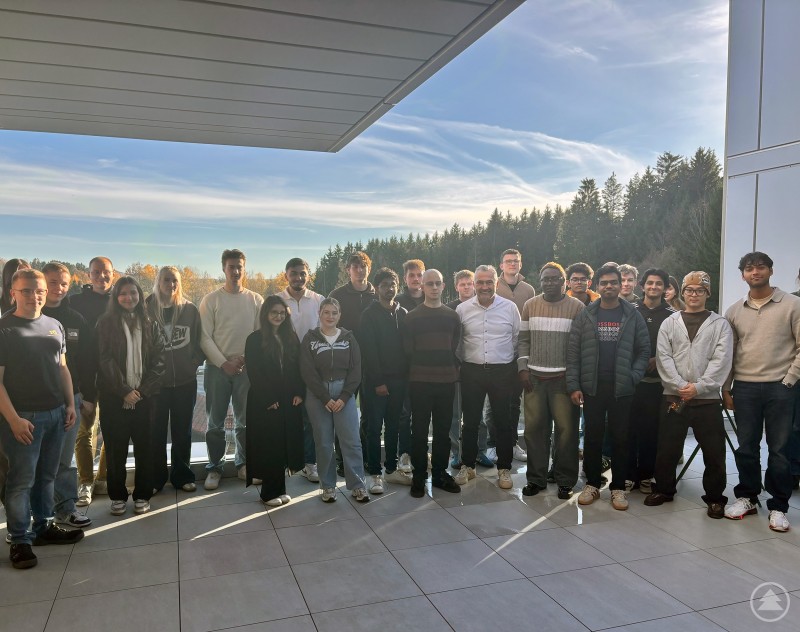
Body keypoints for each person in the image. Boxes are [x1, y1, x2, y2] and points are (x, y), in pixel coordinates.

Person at [0, 269, 83, 570]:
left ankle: (44, 526)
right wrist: (13, 420)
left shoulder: (54, 325)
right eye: (26, 291)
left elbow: (62, 368)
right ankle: (20, 539)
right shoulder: (5, 329)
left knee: (47, 476)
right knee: (21, 481)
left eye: (39, 291)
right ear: (13, 293)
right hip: (24, 418)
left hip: (56, 413)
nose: (34, 296)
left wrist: (69, 404)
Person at [645, 272, 732, 519]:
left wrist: (700, 387)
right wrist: (680, 385)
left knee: (714, 452)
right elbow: (664, 357)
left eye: (700, 290)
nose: (694, 294)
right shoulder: (670, 323)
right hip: (674, 397)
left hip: (707, 400)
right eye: (689, 290)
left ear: (707, 294)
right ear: (682, 292)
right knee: (667, 447)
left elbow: (722, 360)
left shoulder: (720, 324)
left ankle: (715, 498)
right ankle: (664, 489)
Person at [723, 252, 800, 532]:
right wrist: (726, 387)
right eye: (749, 268)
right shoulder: (734, 311)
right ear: (743, 274)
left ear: (771, 271)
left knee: (779, 450)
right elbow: (729, 354)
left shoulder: (792, 305)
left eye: (760, 267)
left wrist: (789, 380)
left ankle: (779, 506)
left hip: (781, 387)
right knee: (746, 447)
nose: (755, 272)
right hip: (744, 388)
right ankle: (747, 497)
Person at [567, 263, 650, 510]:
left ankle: (618, 488)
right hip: (593, 387)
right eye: (604, 283)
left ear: (621, 284)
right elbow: (573, 352)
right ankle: (592, 484)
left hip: (622, 388)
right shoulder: (586, 315)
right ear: (597, 286)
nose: (609, 286)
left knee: (620, 438)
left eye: (614, 282)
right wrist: (574, 385)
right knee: (592, 437)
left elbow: (644, 349)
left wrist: (634, 376)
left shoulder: (632, 315)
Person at [95, 277, 164, 516]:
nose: (129, 297)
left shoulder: (150, 323)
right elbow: (104, 360)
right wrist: (124, 390)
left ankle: (143, 494)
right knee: (116, 451)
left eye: (133, 293)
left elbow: (159, 361)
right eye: (123, 293)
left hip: (145, 398)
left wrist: (141, 392)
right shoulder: (105, 323)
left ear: (140, 295)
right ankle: (117, 496)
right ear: (116, 297)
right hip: (114, 398)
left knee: (146, 449)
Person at [518, 262, 584, 499]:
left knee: (566, 433)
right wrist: (523, 368)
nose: (549, 283)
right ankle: (536, 479)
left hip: (563, 381)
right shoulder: (530, 305)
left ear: (564, 282)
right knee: (535, 431)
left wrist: (574, 380)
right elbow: (523, 340)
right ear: (540, 281)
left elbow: (580, 346)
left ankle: (565, 480)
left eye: (555, 278)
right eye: (545, 279)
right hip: (534, 380)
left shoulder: (577, 307)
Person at [199, 249, 263, 490]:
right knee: (215, 423)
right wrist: (223, 363)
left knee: (244, 421)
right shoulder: (211, 300)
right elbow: (204, 337)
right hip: (217, 369)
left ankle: (243, 464)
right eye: (231, 267)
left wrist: (244, 359)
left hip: (246, 369)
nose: (236, 271)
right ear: (223, 269)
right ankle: (214, 467)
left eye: (239, 267)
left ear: (244, 269)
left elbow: (260, 335)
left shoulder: (256, 300)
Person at [455, 265, 520, 490]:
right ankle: (468, 465)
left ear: (496, 283)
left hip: (502, 372)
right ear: (474, 284)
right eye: (480, 282)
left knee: (503, 422)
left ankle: (504, 468)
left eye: (489, 282)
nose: (484, 286)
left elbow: (516, 339)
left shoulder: (510, 308)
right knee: (470, 422)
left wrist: (503, 358)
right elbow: (458, 342)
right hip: (471, 371)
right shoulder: (462, 309)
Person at [300, 298, 369, 503]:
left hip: (343, 393)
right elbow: (307, 370)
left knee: (351, 441)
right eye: (326, 312)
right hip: (317, 394)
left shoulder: (349, 338)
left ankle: (358, 485)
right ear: (319, 314)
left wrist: (345, 396)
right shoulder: (309, 339)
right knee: (323, 442)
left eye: (334, 313)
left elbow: (356, 369)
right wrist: (324, 397)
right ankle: (328, 486)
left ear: (340, 315)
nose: (330, 316)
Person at [41, 262, 93, 528]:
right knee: (34, 462)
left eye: (63, 283)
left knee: (64, 459)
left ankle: (66, 509)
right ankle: (38, 515)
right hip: (33, 402)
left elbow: (87, 360)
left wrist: (87, 396)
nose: (58, 288)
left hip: (70, 399)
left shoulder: (76, 319)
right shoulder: (24, 318)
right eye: (52, 282)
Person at [146, 266, 204, 493]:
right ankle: (156, 478)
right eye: (166, 280)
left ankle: (182, 476)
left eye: (175, 280)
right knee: (156, 432)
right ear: (158, 282)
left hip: (184, 382)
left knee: (183, 431)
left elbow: (200, 341)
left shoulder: (189, 309)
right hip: (156, 385)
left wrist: (192, 364)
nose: (171, 284)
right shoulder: (147, 308)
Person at [404, 269, 462, 498]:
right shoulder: (412, 317)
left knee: (442, 431)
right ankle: (419, 475)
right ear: (422, 287)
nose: (434, 287)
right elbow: (407, 350)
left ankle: (439, 473)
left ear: (444, 285)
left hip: (446, 381)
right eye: (430, 283)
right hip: (419, 382)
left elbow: (455, 346)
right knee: (418, 431)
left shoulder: (452, 316)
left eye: (438, 283)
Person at [357, 268, 413, 492]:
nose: (389, 289)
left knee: (393, 426)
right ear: (377, 288)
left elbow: (408, 348)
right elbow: (368, 351)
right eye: (384, 285)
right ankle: (374, 474)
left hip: (400, 381)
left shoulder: (403, 313)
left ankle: (390, 470)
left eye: (393, 284)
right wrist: (378, 381)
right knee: (373, 428)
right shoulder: (368, 315)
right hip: (376, 383)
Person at [245, 296, 304, 506]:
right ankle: (268, 493)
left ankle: (280, 489)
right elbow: (254, 372)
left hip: (288, 399)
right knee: (269, 445)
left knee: (283, 444)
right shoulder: (254, 339)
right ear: (265, 314)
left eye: (282, 313)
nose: (278, 316)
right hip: (265, 401)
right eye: (274, 313)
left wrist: (299, 392)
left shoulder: (291, 337)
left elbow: (298, 368)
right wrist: (268, 399)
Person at [70, 255, 113, 506]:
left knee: (112, 430)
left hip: (112, 378)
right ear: (89, 275)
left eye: (106, 272)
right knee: (84, 431)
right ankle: (85, 481)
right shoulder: (75, 302)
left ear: (113, 274)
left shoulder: (119, 301)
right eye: (96, 272)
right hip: (84, 376)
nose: (101, 276)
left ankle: (103, 478)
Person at [627, 268, 675, 493]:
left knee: (651, 431)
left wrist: (659, 359)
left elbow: (678, 347)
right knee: (628, 430)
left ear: (665, 288)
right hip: (632, 382)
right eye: (650, 283)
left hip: (658, 385)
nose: (654, 287)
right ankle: (628, 475)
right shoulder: (630, 310)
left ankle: (646, 475)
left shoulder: (674, 316)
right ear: (642, 286)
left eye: (658, 283)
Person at [278, 257, 324, 485]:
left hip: (311, 367)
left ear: (308, 275)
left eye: (302, 273)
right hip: (283, 368)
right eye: (294, 273)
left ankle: (309, 463)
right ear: (286, 275)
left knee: (310, 418)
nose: (298, 278)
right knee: (282, 416)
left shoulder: (318, 300)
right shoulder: (276, 300)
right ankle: (281, 464)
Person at [446, 270, 493, 469]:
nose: (466, 287)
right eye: (462, 284)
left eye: (469, 284)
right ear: (456, 286)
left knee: (478, 416)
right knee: (455, 415)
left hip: (477, 371)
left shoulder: (483, 307)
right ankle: (457, 453)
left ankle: (480, 451)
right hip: (457, 370)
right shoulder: (451, 310)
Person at [494, 248, 533, 462]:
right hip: (496, 353)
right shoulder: (493, 285)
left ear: (520, 264)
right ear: (501, 265)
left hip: (519, 353)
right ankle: (493, 444)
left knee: (514, 402)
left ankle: (512, 443)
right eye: (508, 261)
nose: (512, 264)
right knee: (493, 404)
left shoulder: (528, 290)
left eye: (516, 261)